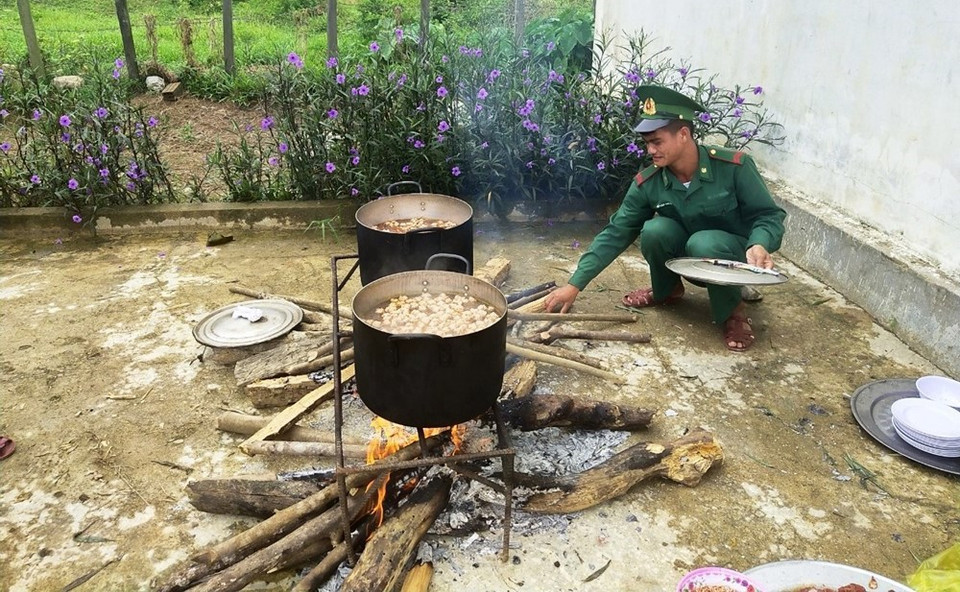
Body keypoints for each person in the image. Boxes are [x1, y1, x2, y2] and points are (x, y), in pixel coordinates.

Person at [543, 85, 786, 352]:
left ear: (683, 134)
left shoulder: (733, 167)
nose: (650, 150)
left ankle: (733, 311)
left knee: (704, 242)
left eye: (657, 142)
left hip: (734, 258)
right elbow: (617, 232)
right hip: (689, 259)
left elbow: (769, 215)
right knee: (655, 230)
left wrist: (759, 243)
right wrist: (574, 284)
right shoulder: (650, 182)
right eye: (647, 143)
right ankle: (668, 290)